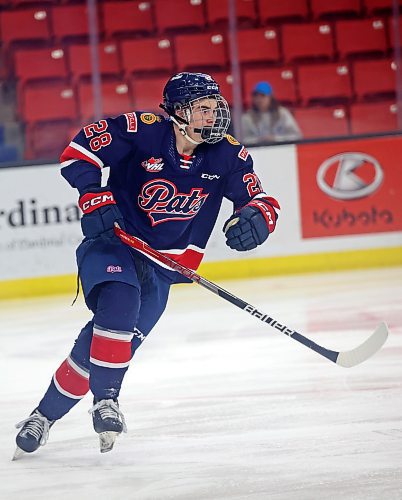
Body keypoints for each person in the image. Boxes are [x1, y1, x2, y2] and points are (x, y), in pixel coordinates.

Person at [14, 72, 280, 457]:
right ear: (177, 112)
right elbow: (80, 149)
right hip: (114, 244)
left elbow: (261, 199)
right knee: (119, 307)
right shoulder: (143, 131)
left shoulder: (228, 154)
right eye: (203, 109)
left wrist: (256, 219)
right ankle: (107, 400)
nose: (214, 115)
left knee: (102, 347)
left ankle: (43, 416)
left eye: (215, 107)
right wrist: (93, 193)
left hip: (163, 268)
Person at [241, 81, 302, 145]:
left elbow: (296, 136)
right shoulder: (247, 118)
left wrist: (276, 139)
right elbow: (244, 140)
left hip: (282, 150)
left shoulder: (282, 113)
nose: (259, 99)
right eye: (256, 96)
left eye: (263, 96)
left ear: (270, 97)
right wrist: (259, 140)